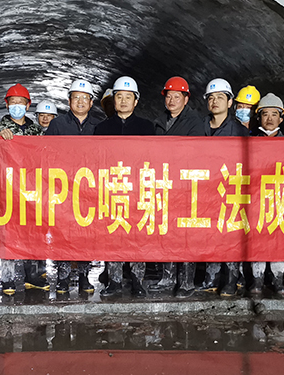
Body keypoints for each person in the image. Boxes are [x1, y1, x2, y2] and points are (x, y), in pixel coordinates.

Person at [94, 76, 154, 298]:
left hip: (138, 189)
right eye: (119, 96)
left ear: (135, 101)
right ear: (114, 100)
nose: (123, 101)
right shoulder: (102, 129)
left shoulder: (147, 127)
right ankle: (115, 281)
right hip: (112, 189)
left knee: (138, 235)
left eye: (128, 97)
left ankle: (138, 280)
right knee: (113, 234)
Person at [0, 84, 47, 295]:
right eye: (13, 102)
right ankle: (8, 278)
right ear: (6, 104)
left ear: (28, 106)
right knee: (8, 234)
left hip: (32, 190)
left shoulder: (36, 131)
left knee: (33, 233)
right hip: (6, 190)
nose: (17, 106)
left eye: (21, 103)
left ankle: (33, 275)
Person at [45, 79, 104, 295]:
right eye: (76, 97)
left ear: (91, 102)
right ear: (69, 101)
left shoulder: (99, 126)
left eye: (84, 98)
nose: (80, 101)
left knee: (86, 233)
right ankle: (63, 277)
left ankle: (84, 276)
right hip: (63, 188)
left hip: (89, 189)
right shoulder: (57, 125)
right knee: (63, 232)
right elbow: (46, 153)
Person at [151, 77, 204, 298]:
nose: (172, 100)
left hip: (186, 185)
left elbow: (196, 154)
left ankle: (187, 281)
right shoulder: (159, 122)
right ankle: (168, 278)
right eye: (169, 96)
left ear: (186, 99)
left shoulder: (195, 123)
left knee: (185, 233)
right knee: (166, 230)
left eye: (177, 96)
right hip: (165, 184)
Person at [200, 78, 247, 298]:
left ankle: (231, 279)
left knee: (230, 234)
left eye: (220, 97)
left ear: (229, 102)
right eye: (211, 98)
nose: (215, 101)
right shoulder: (199, 127)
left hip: (230, 188)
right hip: (205, 189)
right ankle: (211, 277)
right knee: (210, 233)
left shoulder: (238, 130)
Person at [250, 93, 284, 298]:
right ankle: (257, 278)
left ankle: (278, 278)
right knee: (257, 236)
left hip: (279, 197)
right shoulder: (249, 141)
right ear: (259, 118)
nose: (270, 118)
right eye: (265, 114)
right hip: (256, 197)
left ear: (281, 118)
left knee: (278, 237)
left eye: (274, 114)